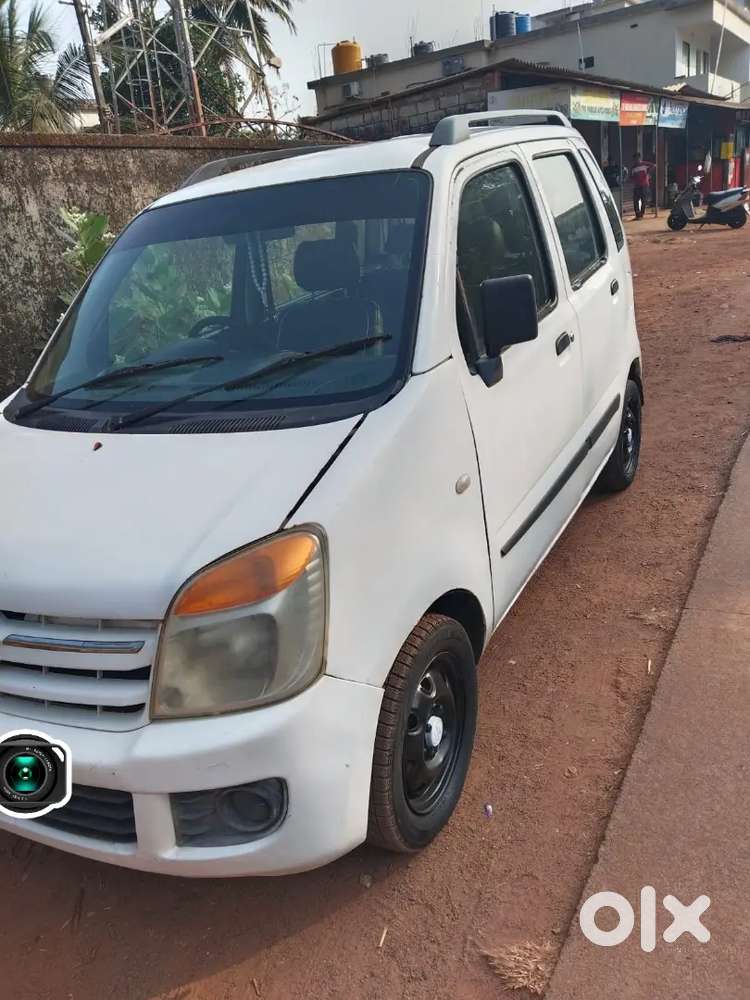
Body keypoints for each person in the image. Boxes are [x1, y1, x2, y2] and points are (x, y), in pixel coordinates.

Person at [631, 152, 655, 219]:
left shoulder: (645, 164)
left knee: (643, 200)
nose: (636, 160)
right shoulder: (633, 167)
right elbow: (632, 176)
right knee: (635, 200)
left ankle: (641, 214)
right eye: (634, 159)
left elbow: (653, 165)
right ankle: (637, 214)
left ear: (639, 158)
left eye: (637, 159)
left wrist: (648, 174)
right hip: (637, 186)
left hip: (644, 185)